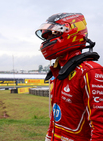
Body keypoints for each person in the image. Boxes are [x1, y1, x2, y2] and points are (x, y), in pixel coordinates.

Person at [35, 13, 103, 141]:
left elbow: (100, 126)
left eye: (52, 34)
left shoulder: (90, 71)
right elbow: (56, 115)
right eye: (46, 36)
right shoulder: (57, 72)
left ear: (69, 32)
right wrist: (49, 137)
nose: (47, 40)